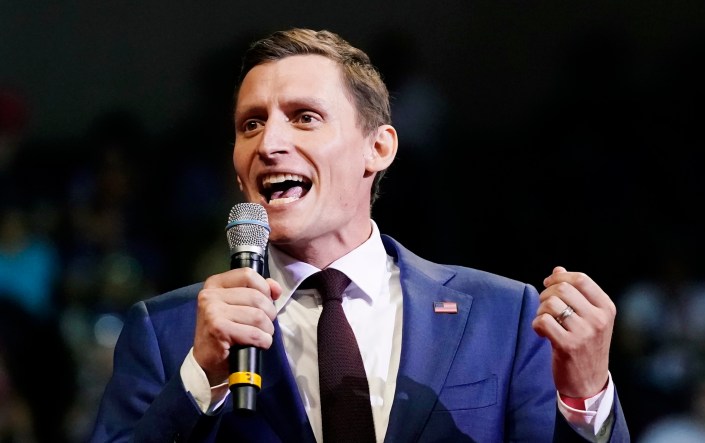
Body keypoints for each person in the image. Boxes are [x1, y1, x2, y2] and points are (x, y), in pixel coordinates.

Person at [89, 28, 630, 442]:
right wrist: (198, 381)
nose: (268, 144)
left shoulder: (503, 317)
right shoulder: (166, 332)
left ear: (379, 148)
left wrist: (587, 397)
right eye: (250, 124)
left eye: (304, 117)